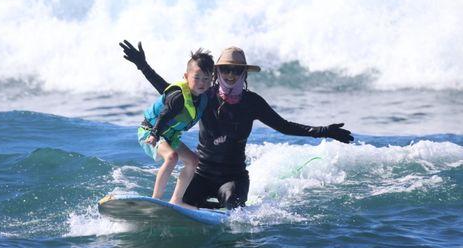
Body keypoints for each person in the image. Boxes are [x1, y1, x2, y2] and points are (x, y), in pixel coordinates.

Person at [120, 40, 353, 210]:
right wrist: (143, 65)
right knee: (182, 206)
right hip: (202, 174)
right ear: (217, 72)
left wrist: (324, 131)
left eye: (237, 70)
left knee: (232, 203)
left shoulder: (252, 103)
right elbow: (169, 92)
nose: (231, 74)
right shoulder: (204, 95)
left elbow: (284, 126)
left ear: (244, 72)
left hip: (233, 177)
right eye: (225, 69)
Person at [137, 49, 214, 208]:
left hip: (170, 135)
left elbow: (161, 85)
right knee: (171, 157)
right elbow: (163, 115)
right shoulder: (178, 95)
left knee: (193, 161)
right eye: (197, 78)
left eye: (206, 79)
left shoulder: (203, 98)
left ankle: (176, 200)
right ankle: (156, 201)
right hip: (150, 131)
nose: (202, 83)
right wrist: (154, 135)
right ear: (186, 77)